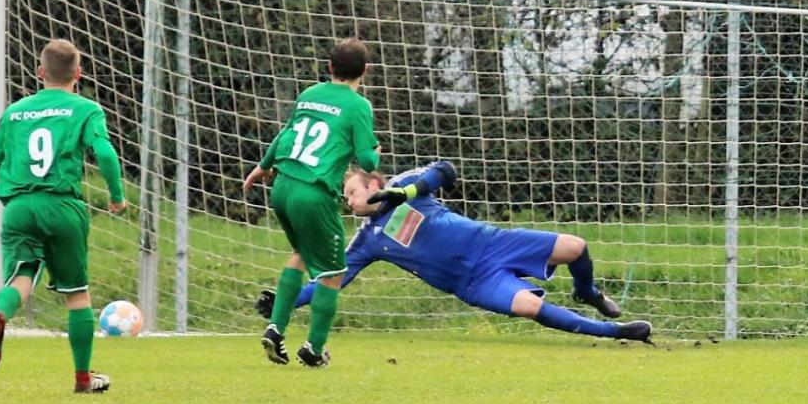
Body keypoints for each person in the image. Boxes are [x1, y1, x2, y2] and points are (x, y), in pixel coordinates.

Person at [256, 161, 652, 352]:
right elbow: (332, 280)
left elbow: (446, 171)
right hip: (473, 282)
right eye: (347, 199)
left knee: (575, 246)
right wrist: (285, 304)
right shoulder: (367, 241)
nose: (350, 202)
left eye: (352, 193)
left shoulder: (406, 185)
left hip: (494, 242)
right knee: (530, 307)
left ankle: (588, 292)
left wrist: (405, 194)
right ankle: (616, 332)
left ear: (374, 183)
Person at [0, 39, 127, 393]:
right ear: (78, 73)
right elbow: (104, 153)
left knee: (20, 279)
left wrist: (10, 199)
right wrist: (117, 196)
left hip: (19, 207)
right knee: (77, 294)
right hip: (63, 206)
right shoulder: (85, 109)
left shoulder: (15, 111)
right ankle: (82, 379)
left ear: (41, 72)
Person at [244, 38, 380, 368]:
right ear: (365, 71)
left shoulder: (309, 95)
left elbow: (285, 134)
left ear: (329, 67)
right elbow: (367, 161)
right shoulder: (358, 106)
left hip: (283, 185)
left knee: (301, 255)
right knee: (333, 273)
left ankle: (276, 329)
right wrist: (373, 153)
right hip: (313, 193)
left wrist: (262, 167)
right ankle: (314, 348)